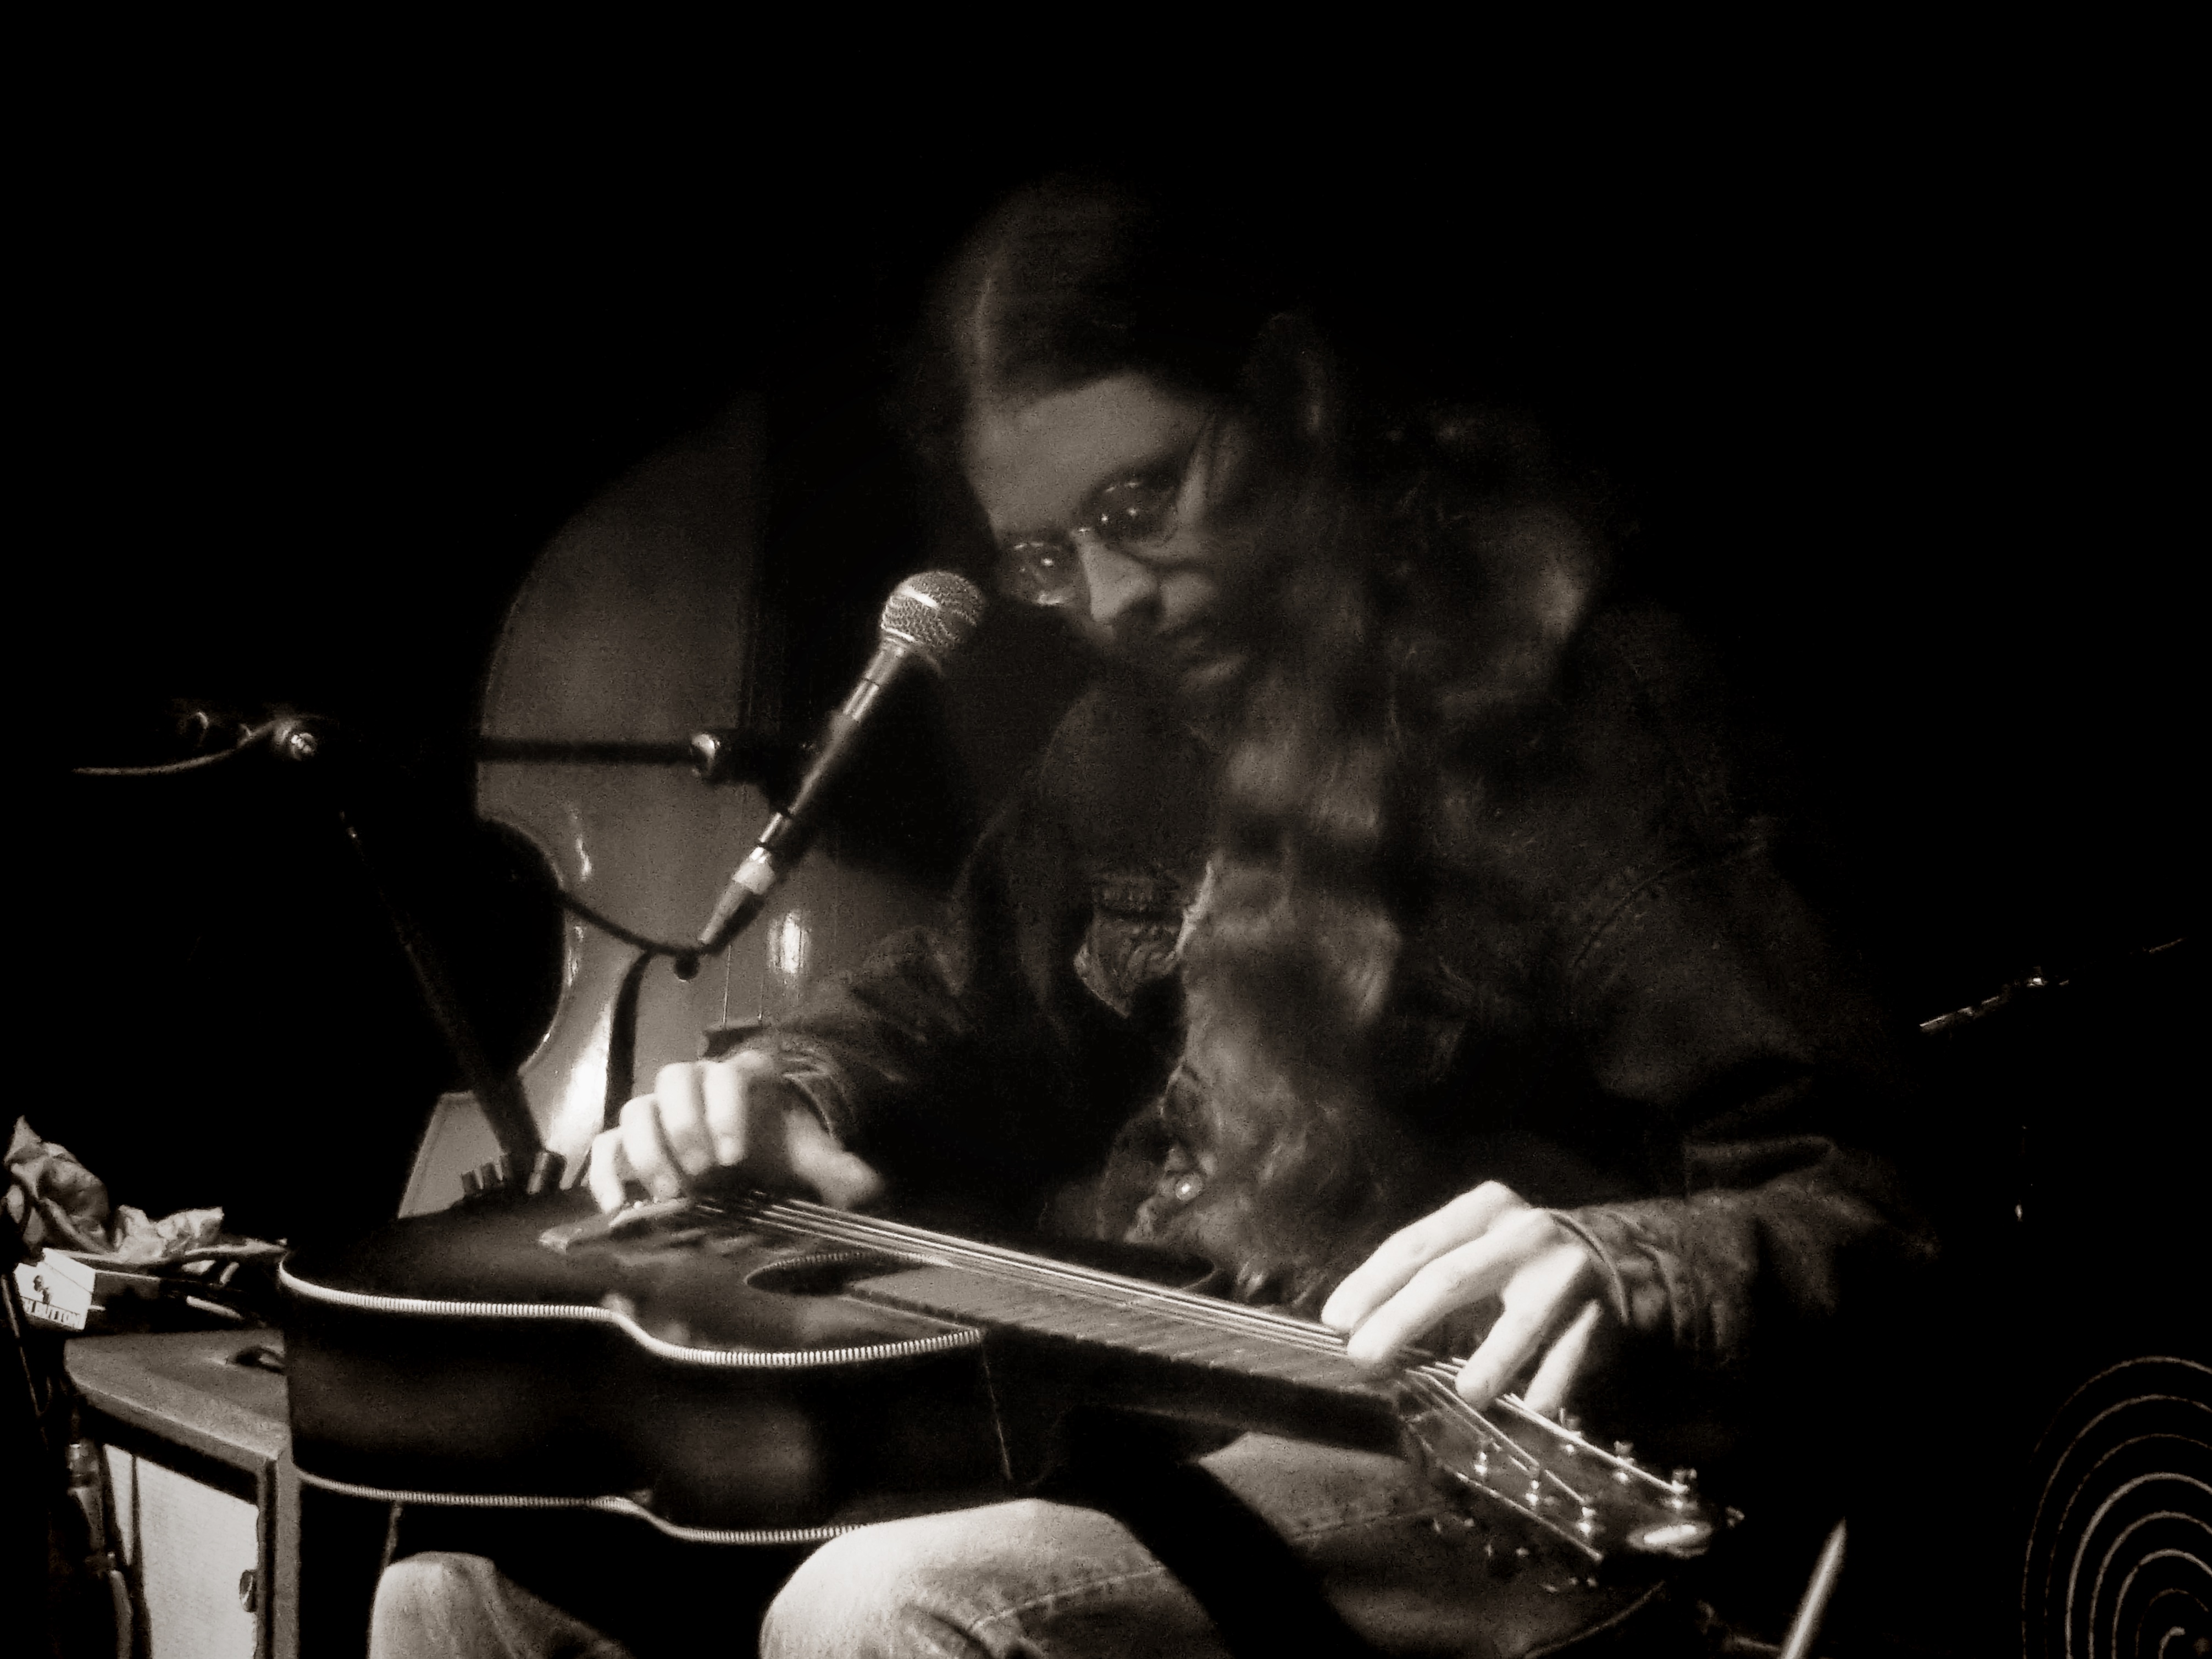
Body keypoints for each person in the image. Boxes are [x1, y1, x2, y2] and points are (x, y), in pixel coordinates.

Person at [373, 177, 1936, 1657]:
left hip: (1500, 1476)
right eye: (1049, 553)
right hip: (1166, 1409)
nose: (1112, 599)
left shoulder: (1589, 711)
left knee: (889, 1608)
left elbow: (1874, 1199)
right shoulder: (1129, 740)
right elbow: (957, 1003)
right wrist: (794, 1089)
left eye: (1142, 496)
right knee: (465, 1593)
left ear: (1293, 400)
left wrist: (1617, 1261)